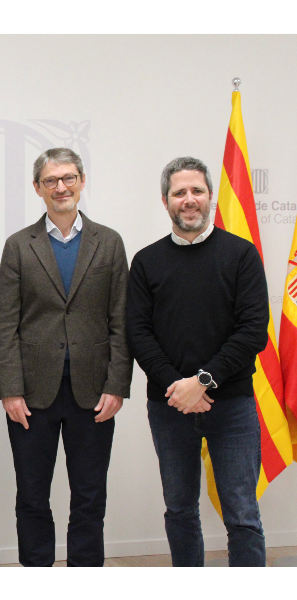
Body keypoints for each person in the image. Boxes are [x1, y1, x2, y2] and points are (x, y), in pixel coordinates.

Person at [0, 148, 132, 567]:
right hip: (31, 394)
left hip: (95, 392)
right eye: (51, 180)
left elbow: (121, 321)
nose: (61, 187)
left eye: (68, 178)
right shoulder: (19, 245)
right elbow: (5, 325)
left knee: (90, 495)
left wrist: (117, 385)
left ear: (82, 182)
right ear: (38, 188)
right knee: (32, 495)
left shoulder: (109, 242)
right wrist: (10, 390)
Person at [127, 157, 268, 567]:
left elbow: (253, 331)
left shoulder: (241, 254)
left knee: (242, 516)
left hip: (233, 406)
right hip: (169, 405)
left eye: (197, 191)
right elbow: (139, 334)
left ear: (210, 197)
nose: (189, 199)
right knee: (180, 510)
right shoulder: (146, 261)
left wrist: (202, 381)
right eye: (179, 193)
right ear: (165, 201)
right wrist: (179, 387)